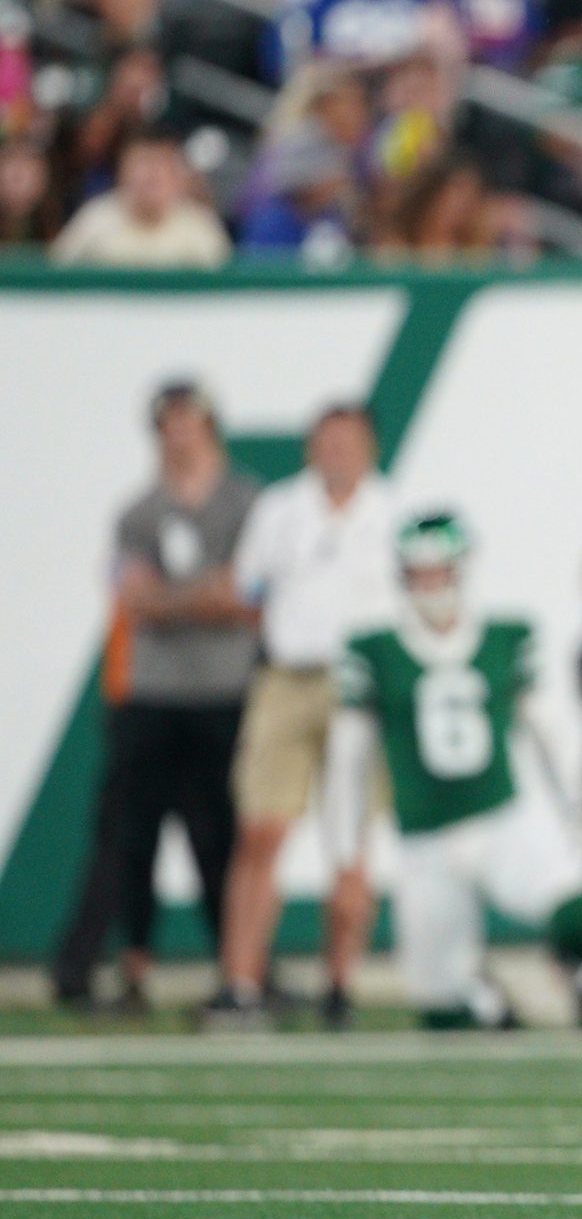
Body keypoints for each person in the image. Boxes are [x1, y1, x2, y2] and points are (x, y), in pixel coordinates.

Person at [322, 512, 582, 1029]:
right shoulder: (374, 648)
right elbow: (349, 759)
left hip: (500, 818)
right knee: (441, 1008)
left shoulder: (504, 637)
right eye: (419, 573)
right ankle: (488, 999)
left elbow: (549, 731)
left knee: (579, 910)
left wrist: (576, 806)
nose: (430, 584)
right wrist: (347, 851)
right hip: (424, 838)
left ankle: (576, 983)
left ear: (460, 570)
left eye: (439, 571)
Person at [50, 381, 259, 1005]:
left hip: (224, 691)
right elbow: (136, 598)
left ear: (211, 426)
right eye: (170, 423)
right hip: (150, 693)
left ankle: (240, 970)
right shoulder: (139, 510)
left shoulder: (245, 502)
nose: (181, 434)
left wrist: (173, 598)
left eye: (190, 421)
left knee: (223, 837)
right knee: (127, 837)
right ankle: (116, 966)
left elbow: (243, 593)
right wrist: (202, 596)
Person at [205, 404, 399, 1031]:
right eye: (328, 442)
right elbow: (247, 590)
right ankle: (241, 982)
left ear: (368, 449)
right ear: (311, 449)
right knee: (262, 831)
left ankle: (339, 983)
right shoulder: (281, 511)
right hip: (289, 679)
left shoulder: (392, 512)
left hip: (360, 688)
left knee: (351, 842)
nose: (338, 454)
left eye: (350, 442)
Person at [47, 130, 232, 268]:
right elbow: (56, 274)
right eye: (142, 162)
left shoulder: (200, 225)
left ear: (178, 176)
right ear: (122, 172)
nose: (151, 174)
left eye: (161, 164)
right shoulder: (95, 218)